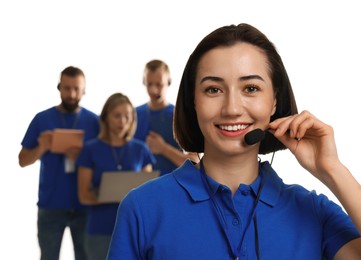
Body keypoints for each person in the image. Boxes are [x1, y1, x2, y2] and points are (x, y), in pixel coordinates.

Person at [107, 23, 361, 259]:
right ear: (193, 101)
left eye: (250, 88)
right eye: (213, 89)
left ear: (274, 100)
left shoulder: (314, 211)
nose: (231, 108)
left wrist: (333, 170)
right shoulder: (142, 208)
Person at [18, 66, 100, 260]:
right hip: (50, 205)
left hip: (85, 205)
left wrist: (81, 157)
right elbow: (22, 161)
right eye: (66, 88)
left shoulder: (95, 122)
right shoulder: (42, 119)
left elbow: (104, 164)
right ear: (59, 87)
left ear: (84, 90)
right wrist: (42, 147)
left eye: (76, 89)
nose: (71, 94)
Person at [77, 92, 156, 260]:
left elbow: (149, 195)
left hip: (133, 231)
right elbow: (83, 195)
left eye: (127, 116)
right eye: (117, 116)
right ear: (106, 117)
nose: (122, 122)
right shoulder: (90, 149)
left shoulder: (140, 149)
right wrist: (111, 196)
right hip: (99, 230)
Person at [134, 59, 198, 176]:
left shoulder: (180, 115)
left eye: (159, 84)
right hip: (140, 188)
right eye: (150, 84)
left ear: (168, 82)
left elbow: (195, 162)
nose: (153, 90)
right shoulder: (133, 115)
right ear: (144, 82)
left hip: (174, 187)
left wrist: (163, 148)